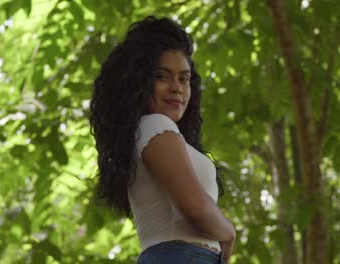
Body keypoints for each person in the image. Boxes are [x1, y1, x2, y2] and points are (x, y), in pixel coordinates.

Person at [89, 16, 235, 264]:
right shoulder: (155, 125)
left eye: (184, 78)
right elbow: (196, 208)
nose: (177, 87)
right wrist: (229, 234)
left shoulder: (149, 134)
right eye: (162, 76)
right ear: (138, 82)